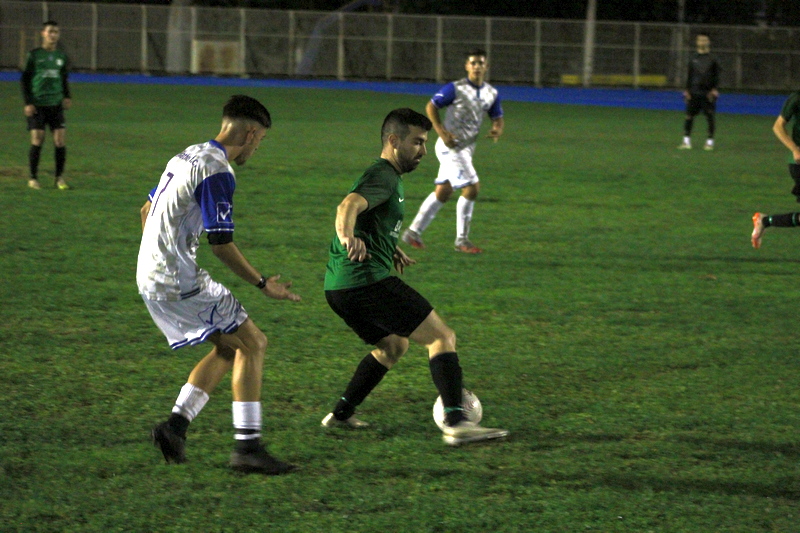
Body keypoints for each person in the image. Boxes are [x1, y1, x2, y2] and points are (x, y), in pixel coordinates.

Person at [321, 107, 509, 446]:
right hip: (366, 281)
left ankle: (341, 414)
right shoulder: (383, 175)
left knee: (393, 345)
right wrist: (347, 237)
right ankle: (457, 422)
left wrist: (388, 247)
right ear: (394, 141)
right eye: (418, 142)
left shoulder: (389, 178)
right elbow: (347, 206)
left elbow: (371, 218)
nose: (423, 151)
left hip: (339, 288)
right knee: (442, 337)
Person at [138, 95, 301, 475]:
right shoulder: (218, 171)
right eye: (260, 140)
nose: (257, 148)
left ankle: (175, 427)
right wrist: (262, 283)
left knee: (229, 347)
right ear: (250, 133)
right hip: (177, 278)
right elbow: (221, 244)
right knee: (253, 342)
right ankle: (248, 448)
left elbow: (146, 210)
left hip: (148, 274)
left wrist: (158, 256)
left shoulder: (186, 156)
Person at [401, 48, 504, 254]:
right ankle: (462, 241)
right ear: (467, 66)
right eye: (473, 63)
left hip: (467, 149)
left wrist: (497, 129)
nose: (476, 66)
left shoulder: (491, 93)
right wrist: (442, 132)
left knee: (444, 191)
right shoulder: (455, 88)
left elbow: (497, 116)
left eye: (480, 63)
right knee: (472, 188)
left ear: (486, 67)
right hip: (451, 147)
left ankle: (412, 233)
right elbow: (431, 106)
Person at [21, 20, 72, 190]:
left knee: (60, 140)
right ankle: (33, 178)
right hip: (38, 104)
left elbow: (63, 78)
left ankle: (59, 178)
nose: (53, 35)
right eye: (50, 31)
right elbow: (25, 79)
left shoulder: (61, 56)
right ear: (43, 34)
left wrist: (67, 96)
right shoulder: (34, 55)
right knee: (38, 139)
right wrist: (28, 102)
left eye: (56, 32)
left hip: (56, 104)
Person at [751, 90, 800, 249]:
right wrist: (795, 149)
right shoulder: (797, 98)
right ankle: (764, 221)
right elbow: (778, 126)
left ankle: (765, 221)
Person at [678, 33, 720, 151]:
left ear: (708, 42)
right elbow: (690, 75)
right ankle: (686, 142)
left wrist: (715, 89)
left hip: (707, 93)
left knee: (710, 117)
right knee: (689, 116)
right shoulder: (693, 58)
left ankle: (709, 142)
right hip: (694, 92)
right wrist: (687, 90)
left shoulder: (713, 59)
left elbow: (716, 76)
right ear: (697, 42)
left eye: (705, 40)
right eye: (700, 40)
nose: (702, 42)